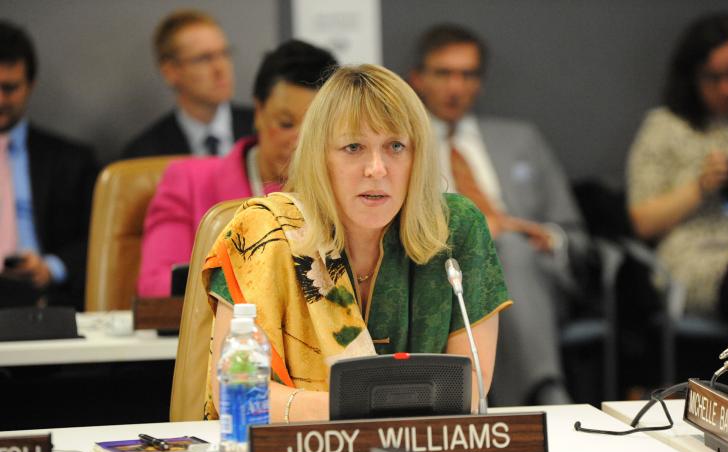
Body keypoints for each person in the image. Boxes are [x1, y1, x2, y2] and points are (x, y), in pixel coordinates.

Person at [202, 64, 511, 422]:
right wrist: (367, 408)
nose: (377, 168)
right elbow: (235, 394)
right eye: (353, 147)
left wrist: (364, 408)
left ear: (418, 157)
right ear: (321, 158)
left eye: (396, 146)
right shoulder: (264, 234)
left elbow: (470, 389)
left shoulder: (455, 229)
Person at [409, 24, 590, 405]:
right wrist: (480, 234)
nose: (455, 87)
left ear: (481, 82)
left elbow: (573, 232)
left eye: (467, 74)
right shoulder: (403, 144)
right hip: (445, 281)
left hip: (536, 282)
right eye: (443, 73)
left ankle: (505, 398)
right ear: (419, 79)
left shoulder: (522, 139)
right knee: (501, 247)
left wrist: (550, 240)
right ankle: (547, 393)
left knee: (512, 250)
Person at [137, 40, 337, 297]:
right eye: (286, 123)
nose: (299, 141)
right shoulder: (189, 181)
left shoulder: (344, 190)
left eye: (314, 128)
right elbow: (156, 285)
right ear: (258, 112)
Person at [627, 13, 728, 335]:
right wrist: (699, 188)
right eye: (713, 77)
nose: (727, 88)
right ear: (692, 77)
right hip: (695, 260)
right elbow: (642, 222)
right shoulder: (663, 128)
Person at [0, 20, 99, 310]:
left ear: (31, 85)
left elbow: (101, 240)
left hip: (47, 302)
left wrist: (51, 267)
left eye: (9, 88)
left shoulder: (71, 160)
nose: (0, 99)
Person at [121, 9, 252, 158]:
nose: (221, 68)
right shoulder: (143, 156)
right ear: (170, 72)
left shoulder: (263, 133)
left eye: (224, 54)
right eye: (204, 58)